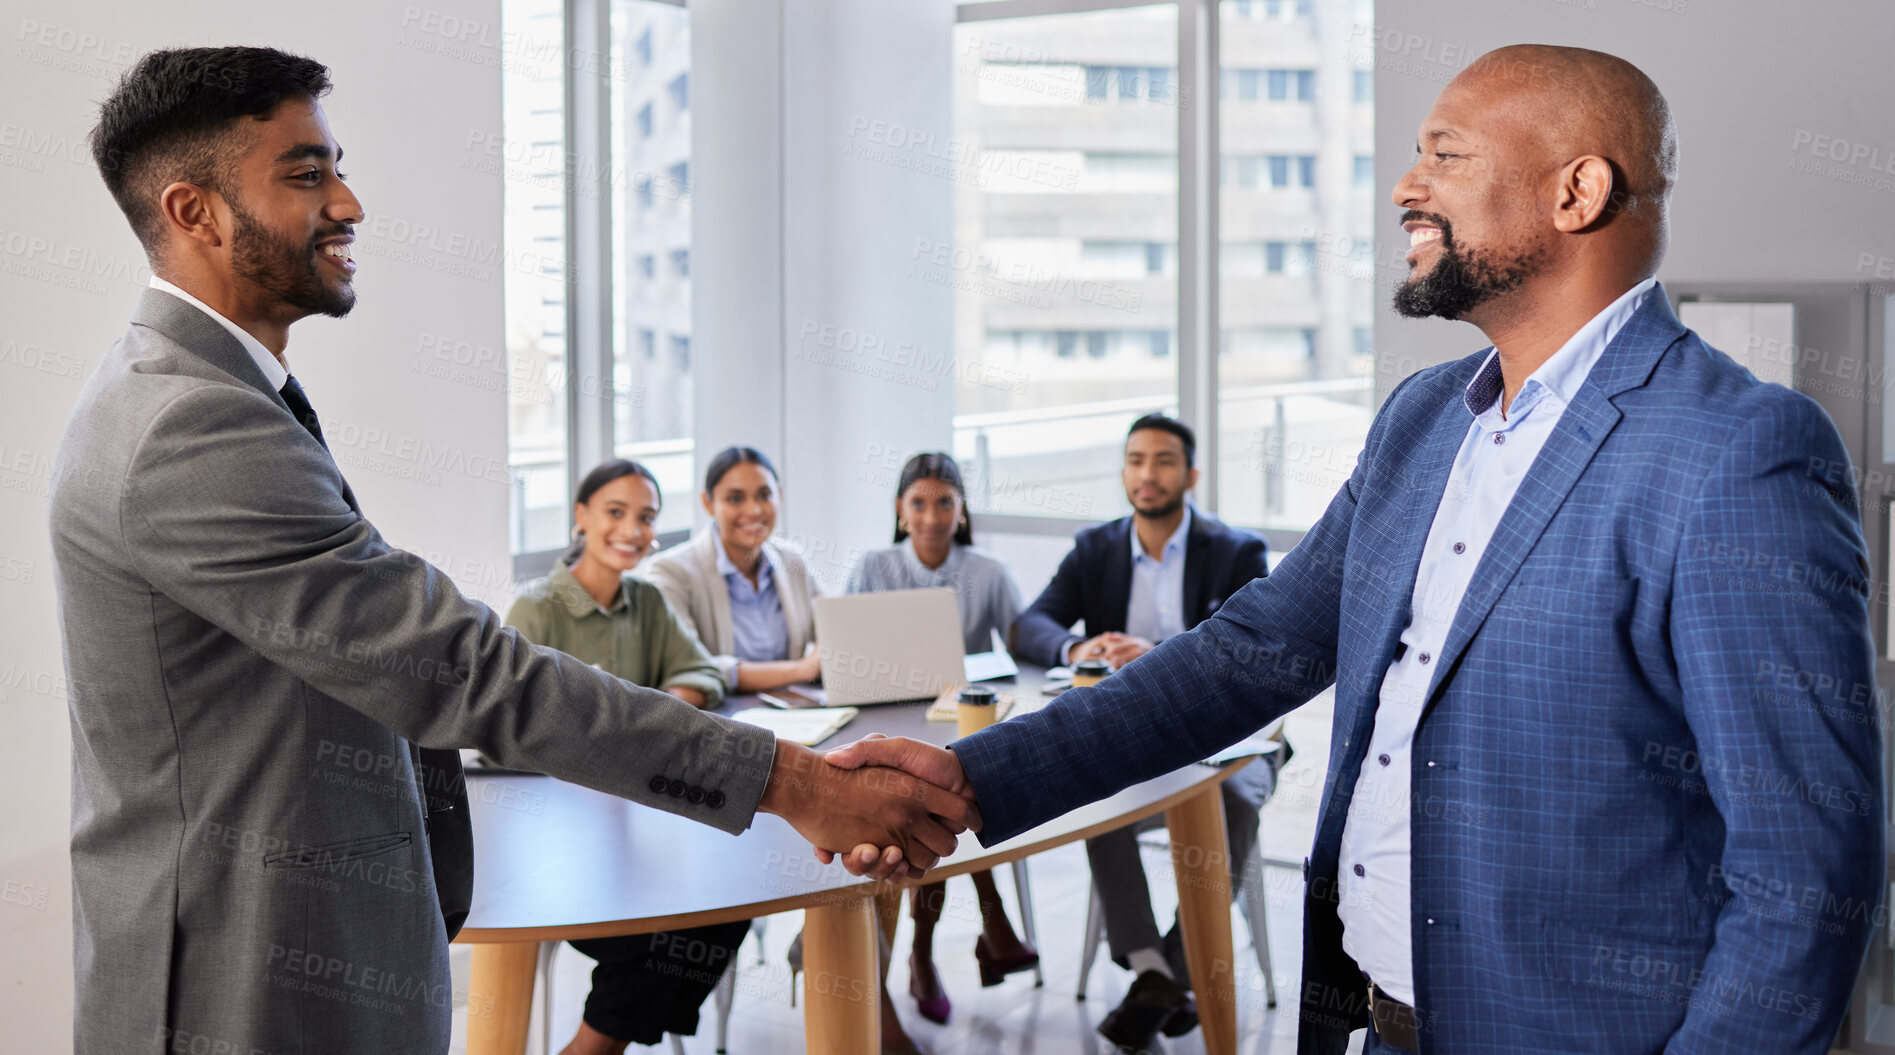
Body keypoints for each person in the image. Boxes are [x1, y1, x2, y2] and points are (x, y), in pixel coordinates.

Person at [828, 45, 1884, 1055]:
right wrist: (963, 778)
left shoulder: (1739, 450)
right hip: (1377, 1021)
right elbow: (1248, 651)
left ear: (1576, 192)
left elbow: (1807, 866)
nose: (1402, 186)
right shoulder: (1422, 420)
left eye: (1445, 153)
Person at [53, 47, 972, 1054]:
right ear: (195, 212)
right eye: (306, 173)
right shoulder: (186, 426)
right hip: (245, 981)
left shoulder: (216, 399)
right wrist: (798, 783)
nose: (349, 202)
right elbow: (457, 668)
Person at [1012, 412, 1279, 1050]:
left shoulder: (1235, 550)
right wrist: (1078, 647)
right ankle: (1155, 973)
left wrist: (1157, 651)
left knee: (1236, 807)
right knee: (1097, 805)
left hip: (1227, 741)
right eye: (1135, 460)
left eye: (1162, 461)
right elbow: (1031, 625)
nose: (1146, 474)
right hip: (1135, 744)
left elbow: (1256, 652)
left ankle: (1168, 971)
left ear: (1189, 475)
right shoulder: (1096, 548)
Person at [504, 460, 740, 1054]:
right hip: (556, 840)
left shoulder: (648, 602)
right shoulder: (538, 611)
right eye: (616, 512)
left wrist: (655, 712)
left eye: (647, 517)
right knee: (655, 937)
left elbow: (703, 672)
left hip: (638, 828)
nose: (632, 529)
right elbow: (511, 723)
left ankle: (595, 1045)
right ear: (581, 516)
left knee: (729, 899)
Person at [846, 453, 1039, 1030]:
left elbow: (1026, 641)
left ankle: (923, 955)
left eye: (945, 502)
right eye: (919, 503)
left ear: (961, 511)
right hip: (883, 733)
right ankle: (980, 929)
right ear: (901, 513)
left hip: (959, 730)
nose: (932, 516)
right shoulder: (872, 567)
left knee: (945, 790)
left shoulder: (990, 570)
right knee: (942, 797)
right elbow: (845, 654)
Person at [641, 446, 823, 694]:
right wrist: (801, 670)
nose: (754, 510)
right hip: (721, 719)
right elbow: (690, 666)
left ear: (779, 496)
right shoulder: (669, 572)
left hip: (793, 711)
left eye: (764, 495)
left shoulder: (792, 561)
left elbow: (831, 632)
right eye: (735, 499)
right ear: (708, 503)